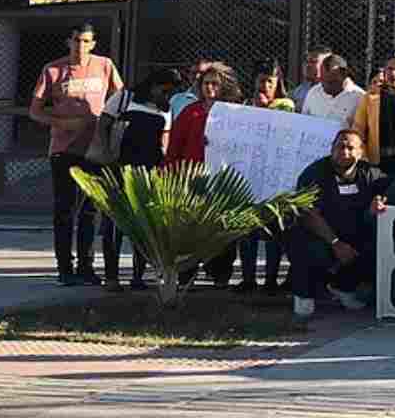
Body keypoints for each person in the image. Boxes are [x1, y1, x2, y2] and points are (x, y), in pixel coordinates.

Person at [29, 22, 124, 286]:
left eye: (85, 41)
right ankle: (65, 268)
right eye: (76, 41)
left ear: (93, 44)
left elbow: (120, 98)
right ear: (68, 42)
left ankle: (86, 267)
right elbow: (35, 111)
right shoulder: (53, 70)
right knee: (65, 210)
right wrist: (62, 122)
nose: (80, 46)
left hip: (96, 149)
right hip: (64, 150)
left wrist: (107, 122)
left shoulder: (105, 66)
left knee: (91, 211)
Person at [287, 129, 389, 319]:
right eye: (339, 147)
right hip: (321, 234)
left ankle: (344, 287)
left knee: (376, 242)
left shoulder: (372, 173)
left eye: (350, 148)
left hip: (352, 235)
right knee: (302, 240)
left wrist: (379, 204)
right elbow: (308, 214)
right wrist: (335, 243)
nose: (344, 152)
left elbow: (388, 193)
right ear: (331, 149)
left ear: (361, 151)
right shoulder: (314, 173)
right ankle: (303, 294)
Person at [97, 68, 178, 292]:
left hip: (149, 174)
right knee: (115, 224)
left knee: (144, 226)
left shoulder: (165, 109)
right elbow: (103, 124)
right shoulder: (124, 98)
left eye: (170, 92)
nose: (166, 95)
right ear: (153, 85)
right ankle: (111, 277)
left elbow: (164, 140)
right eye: (164, 90)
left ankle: (138, 276)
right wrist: (107, 154)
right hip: (120, 169)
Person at [164, 62, 244, 287]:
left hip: (222, 181)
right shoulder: (191, 112)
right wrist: (169, 174)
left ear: (224, 86)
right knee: (188, 230)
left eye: (215, 84)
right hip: (192, 181)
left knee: (222, 229)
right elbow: (175, 146)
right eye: (206, 83)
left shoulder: (235, 113)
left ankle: (220, 275)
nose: (210, 88)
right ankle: (186, 275)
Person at [235, 62, 296, 294]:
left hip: (274, 177)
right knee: (247, 230)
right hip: (249, 176)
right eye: (261, 80)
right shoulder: (245, 106)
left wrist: (264, 109)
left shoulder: (286, 106)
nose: (265, 85)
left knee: (273, 230)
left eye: (270, 81)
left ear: (277, 83)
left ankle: (270, 280)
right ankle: (248, 278)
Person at [302, 54, 365, 127]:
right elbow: (304, 122)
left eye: (331, 82)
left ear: (344, 75)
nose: (325, 87)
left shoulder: (359, 97)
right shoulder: (314, 92)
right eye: (322, 80)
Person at [169, 57, 210, 122]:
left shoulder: (216, 101)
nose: (197, 77)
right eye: (194, 73)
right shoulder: (176, 99)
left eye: (202, 73)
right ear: (188, 75)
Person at [291, 47, 332, 113]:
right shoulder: (303, 87)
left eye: (313, 62)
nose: (308, 65)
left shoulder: (332, 91)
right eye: (307, 61)